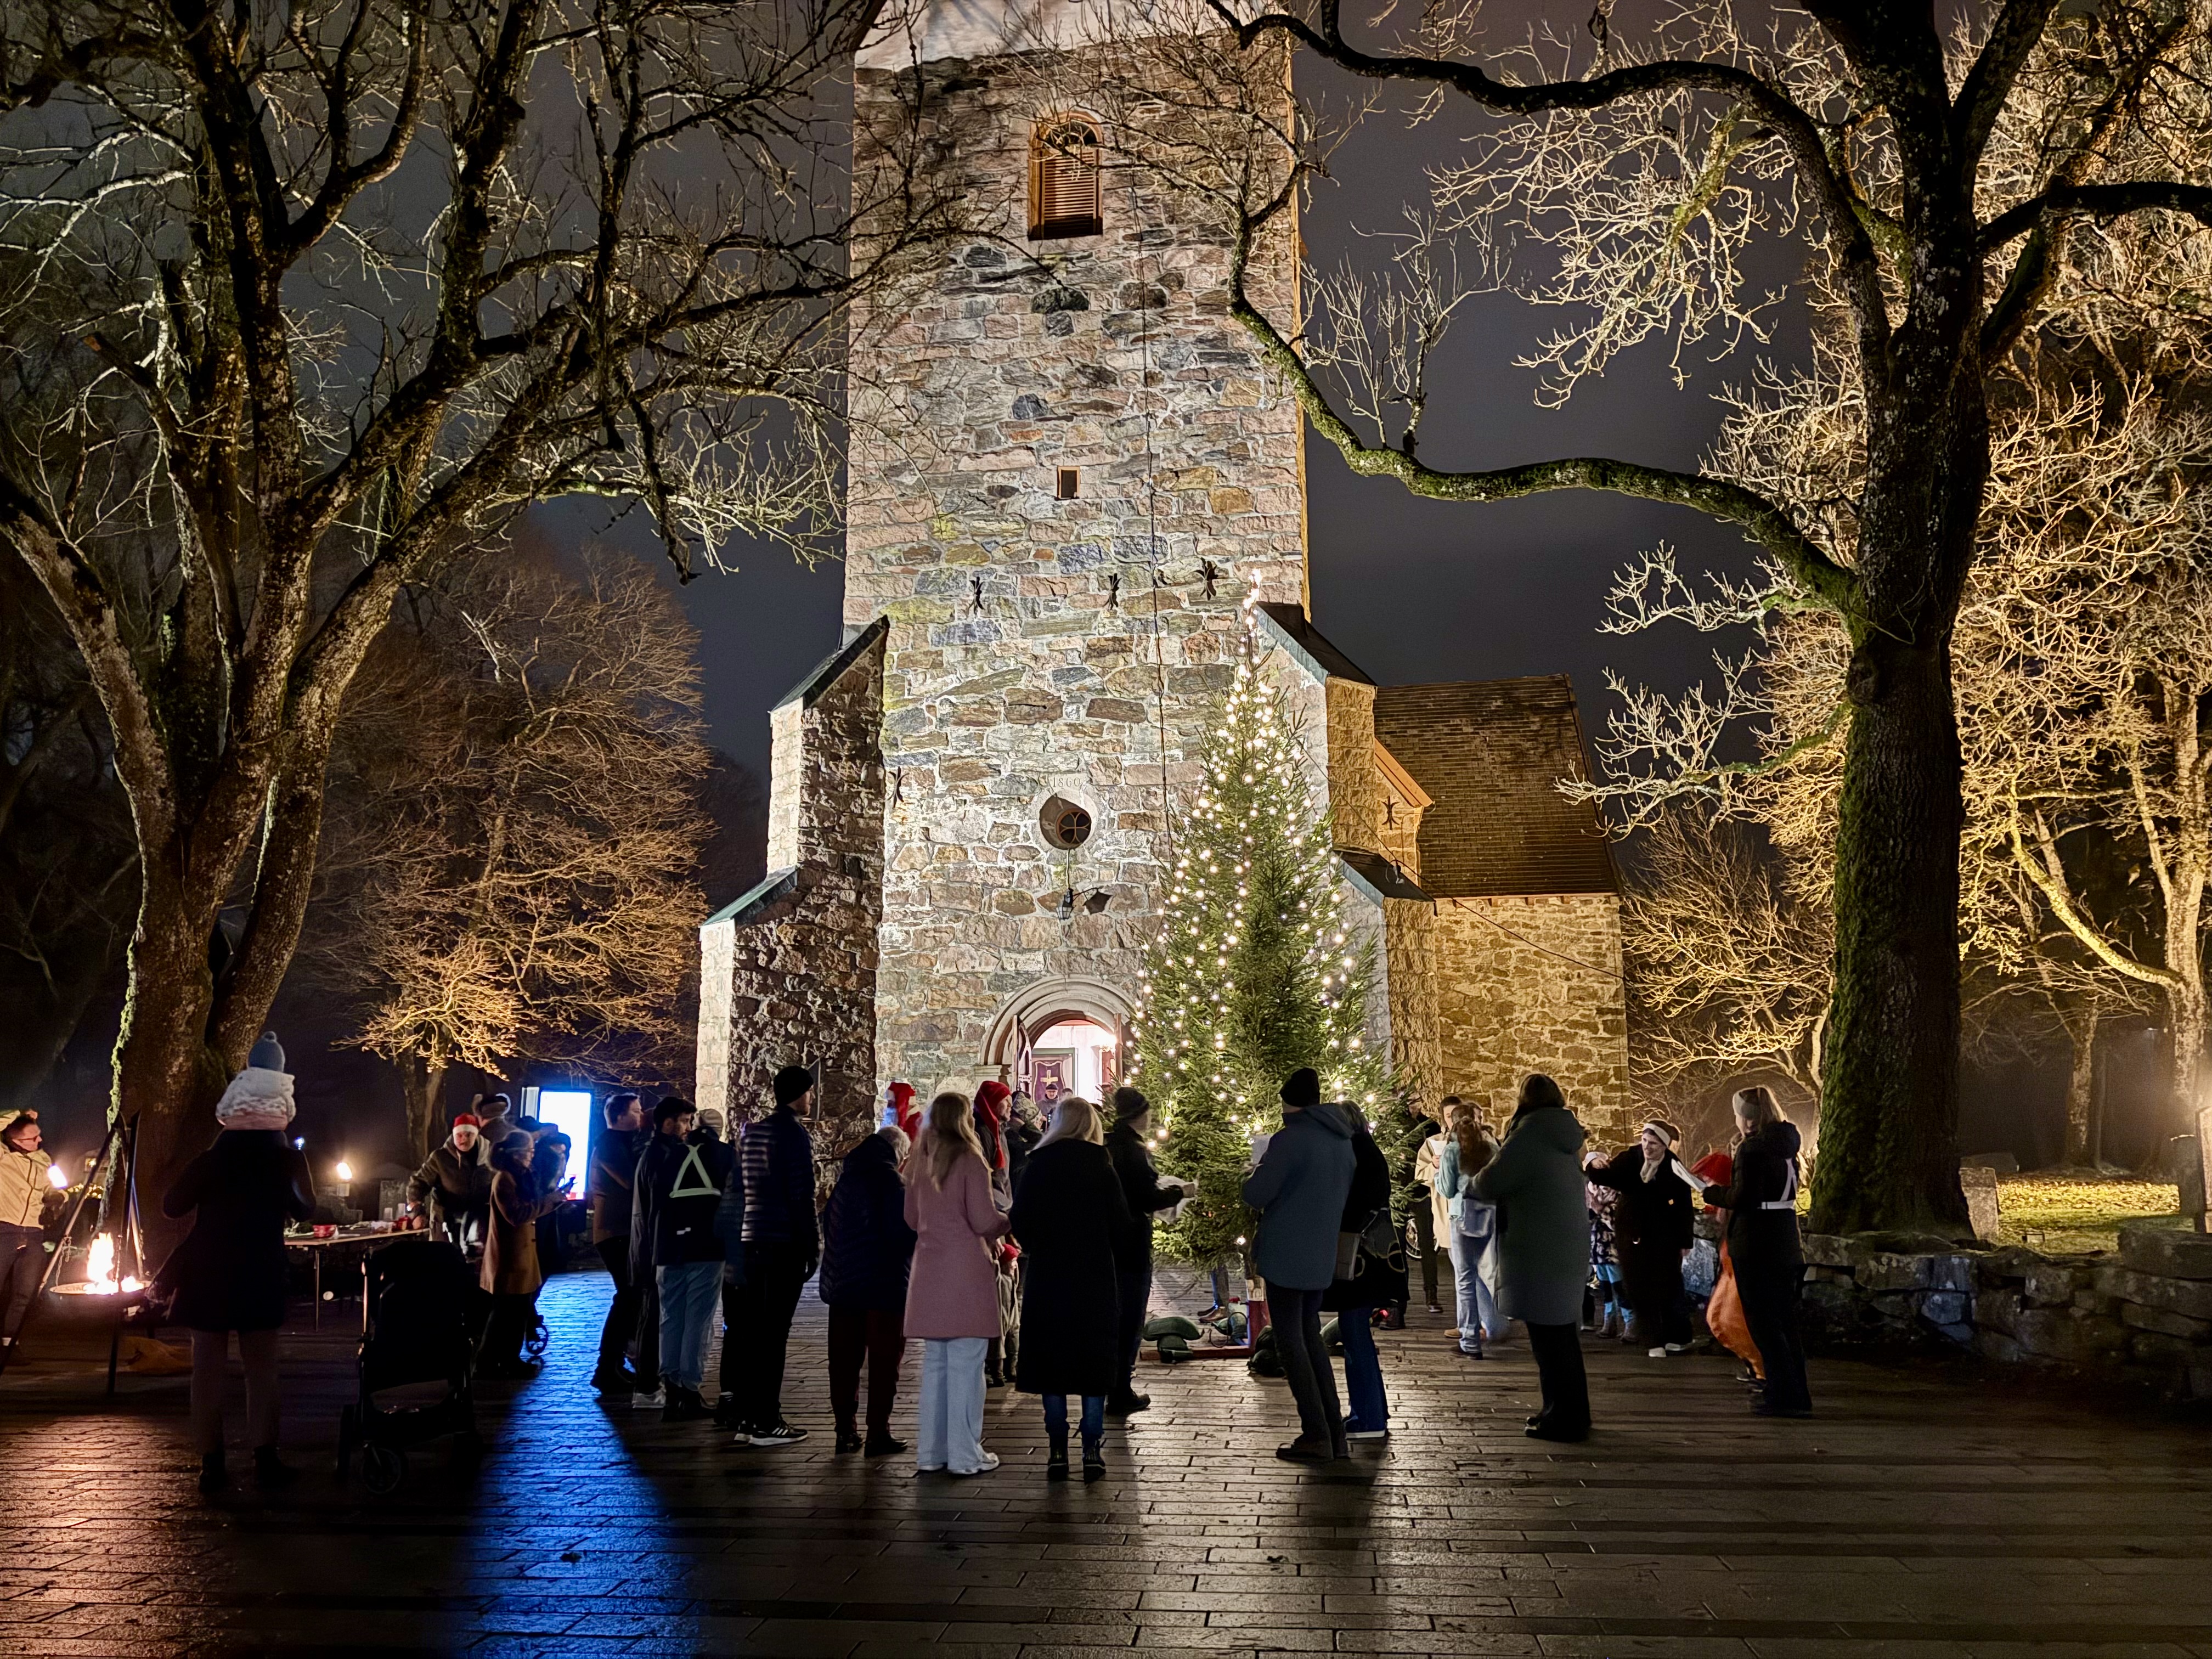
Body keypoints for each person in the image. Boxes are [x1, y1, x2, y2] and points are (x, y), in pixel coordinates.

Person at [159, 1033, 315, 1494]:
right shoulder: (285, 1160)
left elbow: (172, 1206)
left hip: (208, 1270)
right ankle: (265, 1457)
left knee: (206, 1368)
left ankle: (212, 1463)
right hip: (260, 1269)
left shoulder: (212, 1159)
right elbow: (306, 1210)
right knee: (261, 1367)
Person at [1012, 1096, 1135, 1480]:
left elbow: (1021, 1220)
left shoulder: (1038, 1165)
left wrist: (1035, 1247)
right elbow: (1120, 1227)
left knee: (1053, 1364)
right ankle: (1093, 1450)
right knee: (1092, 1363)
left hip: (1049, 1276)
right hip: (1093, 1277)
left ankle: (1057, 1450)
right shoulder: (1102, 1167)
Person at [1241, 1067, 1356, 1463]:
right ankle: (1334, 1432)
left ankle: (1315, 1433)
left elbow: (1257, 1194)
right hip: (1320, 1253)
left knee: (1292, 1342)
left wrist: (1251, 1175)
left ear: (1288, 1101)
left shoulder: (1289, 1140)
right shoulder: (1341, 1140)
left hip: (1287, 1254)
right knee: (1311, 1338)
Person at [1473, 1074, 1592, 1442]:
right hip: (1565, 1245)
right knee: (1561, 1336)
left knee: (1549, 1340)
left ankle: (1564, 1418)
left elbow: (1488, 1183)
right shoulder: (1564, 1136)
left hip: (1539, 1249)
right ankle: (1564, 1410)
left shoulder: (1529, 1134)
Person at [903, 1090, 1011, 1476]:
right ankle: (966, 1454)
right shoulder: (970, 1160)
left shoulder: (917, 1161)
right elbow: (983, 1220)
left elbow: (912, 1220)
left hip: (929, 1270)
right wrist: (1007, 1219)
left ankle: (931, 1452)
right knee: (968, 1367)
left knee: (936, 1368)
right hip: (965, 1270)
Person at [1690, 1087, 1812, 1417]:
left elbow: (1744, 1197)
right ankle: (1797, 1393)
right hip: (1785, 1239)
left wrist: (1710, 1191)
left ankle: (1780, 1396)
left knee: (1764, 1324)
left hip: (1756, 1242)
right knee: (1785, 1322)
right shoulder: (1787, 1144)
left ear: (1747, 1118)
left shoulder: (1752, 1149)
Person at [730, 1065, 820, 1448]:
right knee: (774, 1333)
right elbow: (801, 1193)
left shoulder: (755, 1132)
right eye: (810, 1092)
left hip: (751, 1238)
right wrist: (812, 1245)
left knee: (753, 1330)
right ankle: (768, 1419)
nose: (812, 1099)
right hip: (781, 1240)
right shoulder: (792, 1134)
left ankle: (748, 1415)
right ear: (798, 1094)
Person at [819, 1124, 917, 1455]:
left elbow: (828, 1223)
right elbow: (902, 1235)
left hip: (844, 1286)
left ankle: (844, 1430)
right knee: (884, 1361)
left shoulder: (846, 1180)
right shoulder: (893, 1183)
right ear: (899, 1153)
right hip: (884, 1287)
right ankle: (878, 1431)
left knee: (844, 1361)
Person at [650, 1096, 733, 1421]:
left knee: (670, 1316)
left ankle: (670, 1388)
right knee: (698, 1320)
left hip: (668, 1246)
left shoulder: (670, 1155)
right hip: (707, 1246)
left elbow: (653, 1198)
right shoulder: (725, 1156)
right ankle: (690, 1388)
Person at [1102, 1087, 1184, 1416]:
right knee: (1131, 1316)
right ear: (1141, 1114)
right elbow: (1145, 1197)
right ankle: (1121, 1389)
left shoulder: (1107, 1145)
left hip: (1109, 1241)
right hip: (1132, 1242)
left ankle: (1111, 1384)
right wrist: (1179, 1192)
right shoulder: (1134, 1150)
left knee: (1113, 1315)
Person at [1323, 1106, 1403, 1441]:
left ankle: (1367, 1418)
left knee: (1355, 1333)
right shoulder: (1367, 1149)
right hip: (1375, 1256)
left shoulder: (1354, 1152)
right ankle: (1373, 1411)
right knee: (1357, 1335)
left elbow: (1351, 1203)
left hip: (1362, 1260)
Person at [1585, 1121, 1698, 1357]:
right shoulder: (1630, 1159)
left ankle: (1676, 1336)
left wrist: (1685, 1240)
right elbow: (1606, 1176)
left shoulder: (1672, 1166)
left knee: (1669, 1285)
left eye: (1654, 1144)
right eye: (1645, 1141)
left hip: (1664, 1234)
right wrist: (1591, 1163)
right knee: (1639, 1286)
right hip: (1633, 1232)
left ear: (1665, 1146)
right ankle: (1652, 1340)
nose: (1648, 1147)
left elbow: (1684, 1205)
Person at [628, 1097, 696, 1408]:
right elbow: (662, 1207)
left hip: (652, 1246)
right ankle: (647, 1385)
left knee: (655, 1315)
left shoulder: (655, 1153)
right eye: (684, 1121)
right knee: (656, 1316)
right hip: (657, 1249)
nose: (688, 1128)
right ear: (669, 1123)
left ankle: (650, 1383)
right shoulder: (663, 1156)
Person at [480, 1130, 561, 1378]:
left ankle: (506, 1359)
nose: (532, 1156)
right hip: (510, 1257)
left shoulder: (519, 1177)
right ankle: (492, 1362)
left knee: (516, 1311)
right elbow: (517, 1215)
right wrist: (549, 1201)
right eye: (529, 1152)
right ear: (516, 1154)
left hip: (521, 1255)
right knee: (507, 1312)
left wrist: (553, 1200)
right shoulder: (505, 1179)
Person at [589, 1092, 648, 1395]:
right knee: (628, 1295)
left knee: (631, 1295)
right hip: (615, 1230)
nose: (641, 1116)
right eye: (637, 1111)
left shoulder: (620, 1143)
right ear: (620, 1116)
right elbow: (629, 1179)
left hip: (622, 1228)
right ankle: (607, 1365)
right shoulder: (610, 1144)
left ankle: (613, 1364)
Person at [1436, 1103, 1504, 1358]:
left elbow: (1446, 1189)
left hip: (1462, 1214)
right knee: (1478, 1273)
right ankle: (1494, 1322)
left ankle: (1470, 1340)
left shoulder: (1452, 1151)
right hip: (1490, 1213)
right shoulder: (1492, 1149)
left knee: (1465, 1278)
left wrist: (1437, 1176)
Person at [973, 1080, 1019, 1386]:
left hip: (1003, 1214)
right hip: (995, 1218)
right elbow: (989, 1182)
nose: (1010, 1106)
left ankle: (1007, 1360)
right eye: (1004, 1101)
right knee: (998, 1291)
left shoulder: (999, 1130)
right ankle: (997, 1363)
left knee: (1008, 1288)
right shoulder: (983, 1133)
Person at [0, 1111, 58, 1346]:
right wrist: (18, 1114)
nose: (39, 1141)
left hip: (34, 1233)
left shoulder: (45, 1159)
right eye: (32, 1138)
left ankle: (9, 1345)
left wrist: (57, 1199)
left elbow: (58, 1185)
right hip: (4, 1230)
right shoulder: (3, 1156)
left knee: (24, 1294)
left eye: (39, 1136)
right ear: (15, 1140)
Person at [407, 1114, 490, 1250]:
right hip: (445, 1223)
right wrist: (417, 1211)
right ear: (454, 1135)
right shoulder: (440, 1158)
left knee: (474, 1265)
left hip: (477, 1223)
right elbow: (418, 1184)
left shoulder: (488, 1158)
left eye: (469, 1135)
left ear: (476, 1135)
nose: (464, 1139)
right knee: (444, 1263)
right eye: (460, 1135)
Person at [1406, 1111, 1446, 1316]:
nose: (1415, 1104)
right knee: (1396, 1247)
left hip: (1423, 1194)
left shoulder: (1429, 1126)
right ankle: (1397, 1302)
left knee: (1427, 1245)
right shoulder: (1396, 1122)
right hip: (1400, 1190)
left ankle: (1432, 1293)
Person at [1586, 1161, 1627, 1339]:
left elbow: (1618, 1223)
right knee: (1606, 1289)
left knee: (1619, 1288)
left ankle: (1629, 1322)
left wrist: (1600, 1212)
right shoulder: (1595, 1195)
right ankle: (1608, 1321)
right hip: (1598, 1251)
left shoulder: (1618, 1194)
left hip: (1613, 1250)